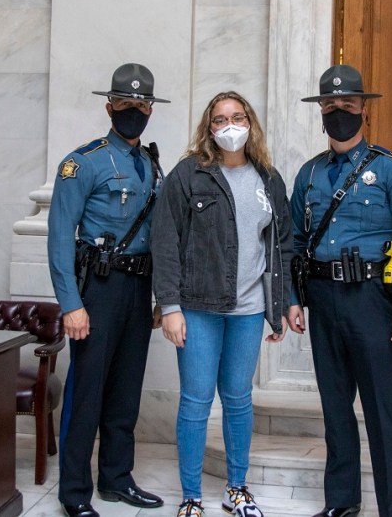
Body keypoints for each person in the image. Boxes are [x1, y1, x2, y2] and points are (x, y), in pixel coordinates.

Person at [287, 65, 392, 517]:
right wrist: (293, 299)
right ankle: (342, 503)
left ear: (363, 109)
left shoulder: (391, 170)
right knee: (335, 409)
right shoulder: (308, 175)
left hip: (372, 301)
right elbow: (293, 241)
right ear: (321, 113)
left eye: (347, 106)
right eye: (330, 107)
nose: (339, 114)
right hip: (322, 298)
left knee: (383, 412)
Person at [150, 91, 293, 517]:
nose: (229, 126)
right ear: (208, 128)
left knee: (238, 399)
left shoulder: (268, 177)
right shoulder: (187, 175)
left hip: (248, 312)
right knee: (195, 402)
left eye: (237, 117)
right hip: (197, 307)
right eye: (219, 120)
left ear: (250, 122)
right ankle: (191, 496)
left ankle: (237, 488)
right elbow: (165, 241)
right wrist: (170, 306)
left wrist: (279, 306)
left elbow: (281, 246)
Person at [47, 63, 168, 517]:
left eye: (141, 104)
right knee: (87, 392)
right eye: (124, 103)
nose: (133, 110)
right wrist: (70, 305)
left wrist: (160, 296)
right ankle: (74, 494)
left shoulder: (153, 164)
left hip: (137, 289)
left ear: (151, 110)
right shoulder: (84, 162)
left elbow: (159, 236)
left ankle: (117, 479)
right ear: (109, 106)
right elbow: (60, 238)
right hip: (96, 288)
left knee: (125, 390)